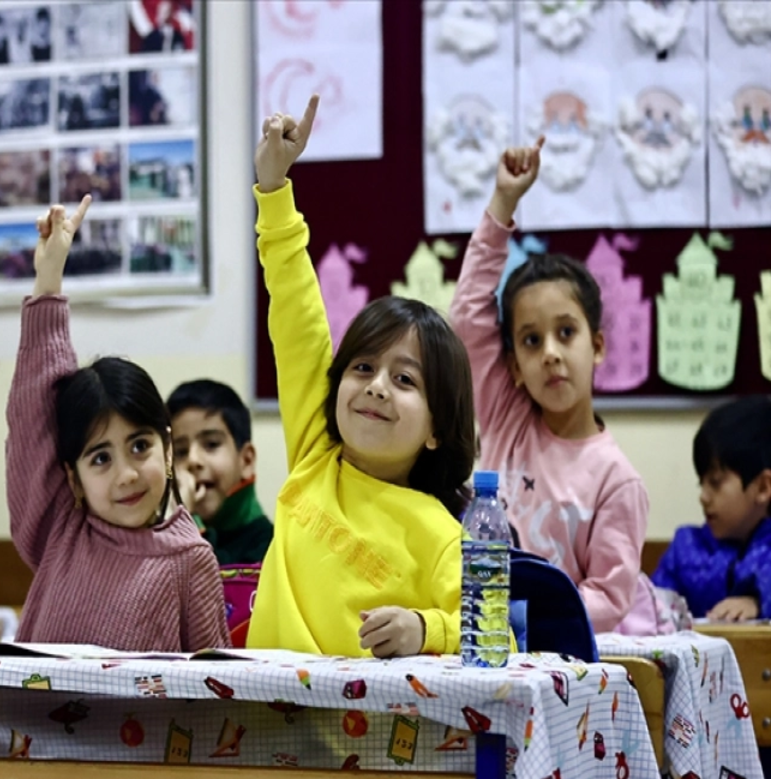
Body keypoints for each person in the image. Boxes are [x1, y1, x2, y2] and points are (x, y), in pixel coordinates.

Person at [246, 96, 476, 658]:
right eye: (364, 367)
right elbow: (297, 315)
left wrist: (425, 630)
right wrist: (275, 189)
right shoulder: (315, 454)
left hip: (362, 743)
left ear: (437, 429)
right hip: (259, 728)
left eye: (406, 380)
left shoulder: (442, 534)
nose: (376, 386)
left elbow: (494, 636)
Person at [448, 137, 656, 634]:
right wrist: (503, 203)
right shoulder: (505, 414)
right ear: (514, 365)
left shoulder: (617, 481)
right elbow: (466, 317)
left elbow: (607, 597)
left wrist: (521, 618)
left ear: (598, 345)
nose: (551, 354)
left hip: (560, 662)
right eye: (531, 340)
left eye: (566, 333)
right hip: (481, 641)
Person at [6, 196, 229, 652]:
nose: (126, 474)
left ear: (168, 451)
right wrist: (48, 281)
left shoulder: (190, 560)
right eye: (101, 458)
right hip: (27, 726)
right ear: (73, 477)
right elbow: (34, 419)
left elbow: (213, 696)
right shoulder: (60, 528)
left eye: (140, 447)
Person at [653, 396, 771, 621]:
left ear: (764, 487)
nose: (703, 497)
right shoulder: (684, 548)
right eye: (701, 483)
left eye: (715, 482)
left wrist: (758, 603)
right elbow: (651, 606)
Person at [167, 380, 273, 565]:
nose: (193, 460)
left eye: (211, 444)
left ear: (246, 460)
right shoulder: (160, 536)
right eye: (181, 451)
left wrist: (186, 524)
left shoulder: (272, 546)